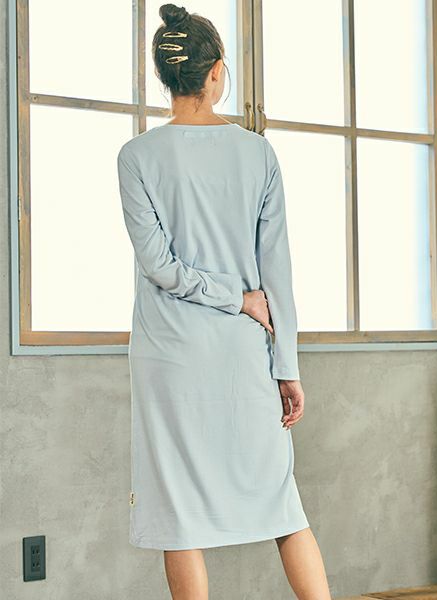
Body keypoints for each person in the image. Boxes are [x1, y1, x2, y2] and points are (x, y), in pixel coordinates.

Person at [116, 3, 331, 599]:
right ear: (216, 72)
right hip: (244, 354)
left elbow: (159, 267)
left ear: (165, 76)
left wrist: (232, 299)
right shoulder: (258, 153)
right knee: (282, 504)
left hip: (169, 357)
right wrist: (285, 364)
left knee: (178, 511)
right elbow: (277, 274)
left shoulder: (137, 156)